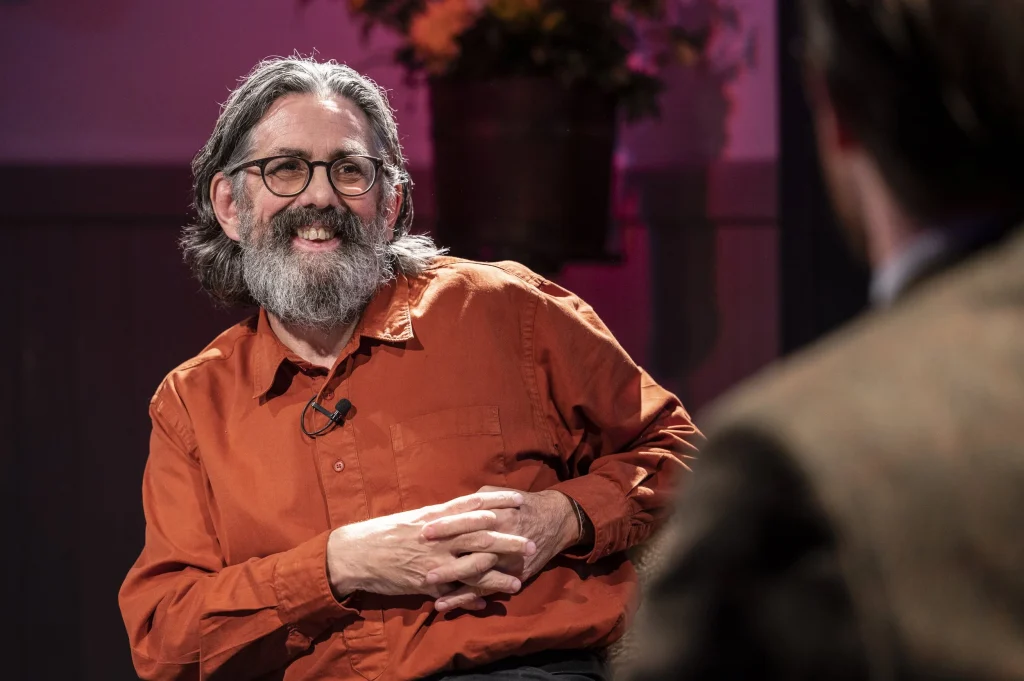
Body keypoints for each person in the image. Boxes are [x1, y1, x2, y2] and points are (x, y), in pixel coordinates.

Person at [117, 56, 699, 681]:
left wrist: (565, 517)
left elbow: (679, 453)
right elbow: (164, 640)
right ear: (230, 205)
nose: (320, 195)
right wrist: (338, 566)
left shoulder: (506, 311)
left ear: (390, 203)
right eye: (285, 169)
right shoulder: (191, 404)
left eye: (349, 171)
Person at [625, 1, 1024, 680]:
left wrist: (565, 513)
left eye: (371, 169)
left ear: (832, 109)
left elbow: (662, 445)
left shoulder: (791, 458)